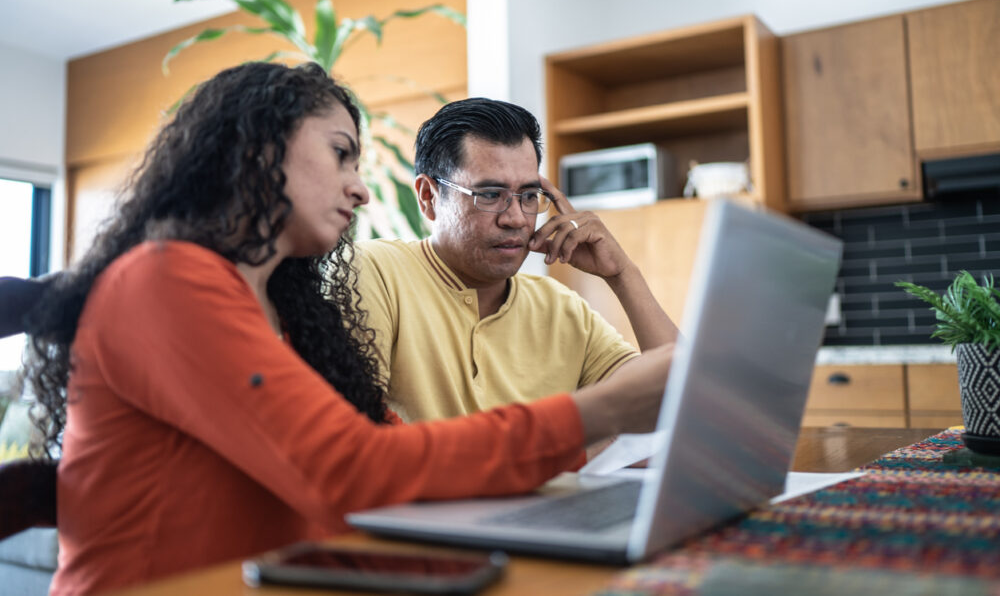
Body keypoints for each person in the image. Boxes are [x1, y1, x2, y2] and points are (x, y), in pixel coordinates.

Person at [21, 62, 672, 594]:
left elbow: (383, 450)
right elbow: (354, 472)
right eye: (341, 156)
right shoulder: (166, 281)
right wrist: (596, 412)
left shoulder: (285, 309)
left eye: (528, 195)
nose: (360, 192)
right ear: (256, 149)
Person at [354, 98, 678, 421]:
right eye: (491, 195)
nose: (516, 218)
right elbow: (356, 441)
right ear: (429, 197)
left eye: (528, 196)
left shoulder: (561, 309)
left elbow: (678, 400)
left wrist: (622, 274)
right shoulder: (376, 272)